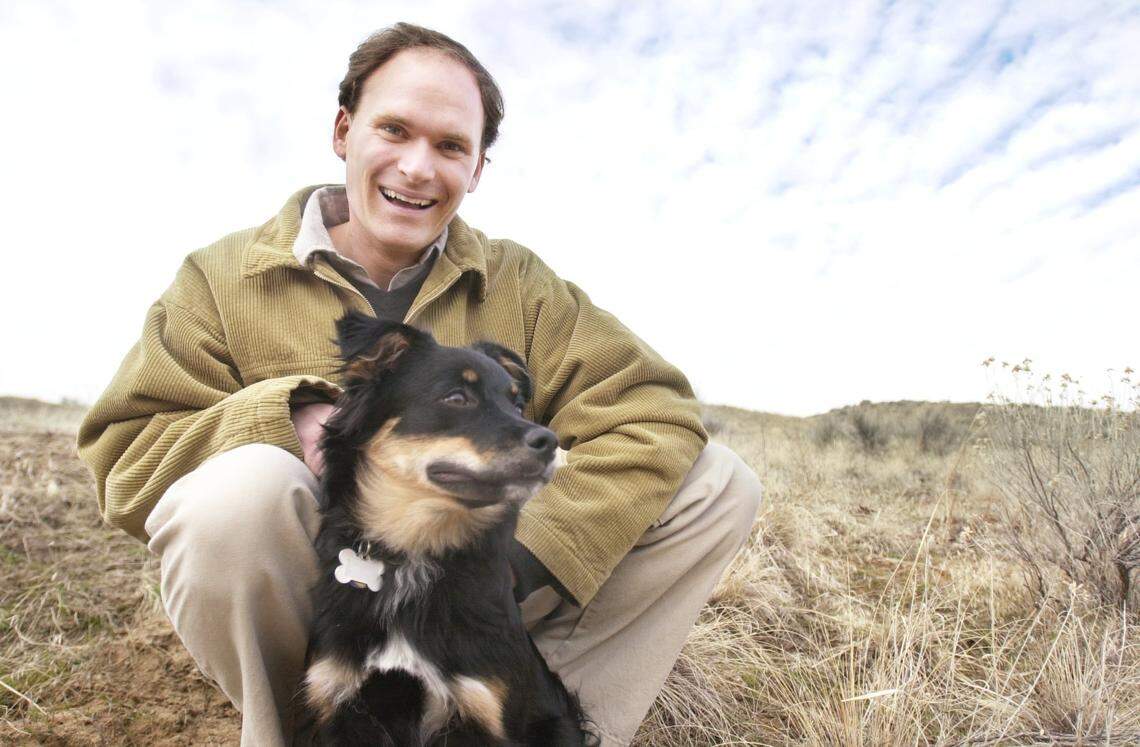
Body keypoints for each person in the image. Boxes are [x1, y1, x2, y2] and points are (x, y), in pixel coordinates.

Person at [78, 22, 761, 747]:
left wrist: (526, 559)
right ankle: (301, 724)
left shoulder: (520, 285)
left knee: (718, 484)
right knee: (237, 492)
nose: (416, 167)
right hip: (326, 606)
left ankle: (533, 718)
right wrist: (284, 416)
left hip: (478, 601)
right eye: (394, 129)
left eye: (450, 146)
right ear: (344, 131)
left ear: (477, 170)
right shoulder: (218, 279)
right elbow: (124, 449)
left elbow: (654, 409)